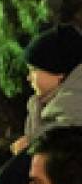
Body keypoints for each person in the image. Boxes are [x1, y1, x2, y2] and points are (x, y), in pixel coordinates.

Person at [17, 22, 82, 150]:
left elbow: (55, 157)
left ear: (58, 71)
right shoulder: (56, 104)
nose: (28, 77)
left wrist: (29, 146)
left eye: (34, 70)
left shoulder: (73, 107)